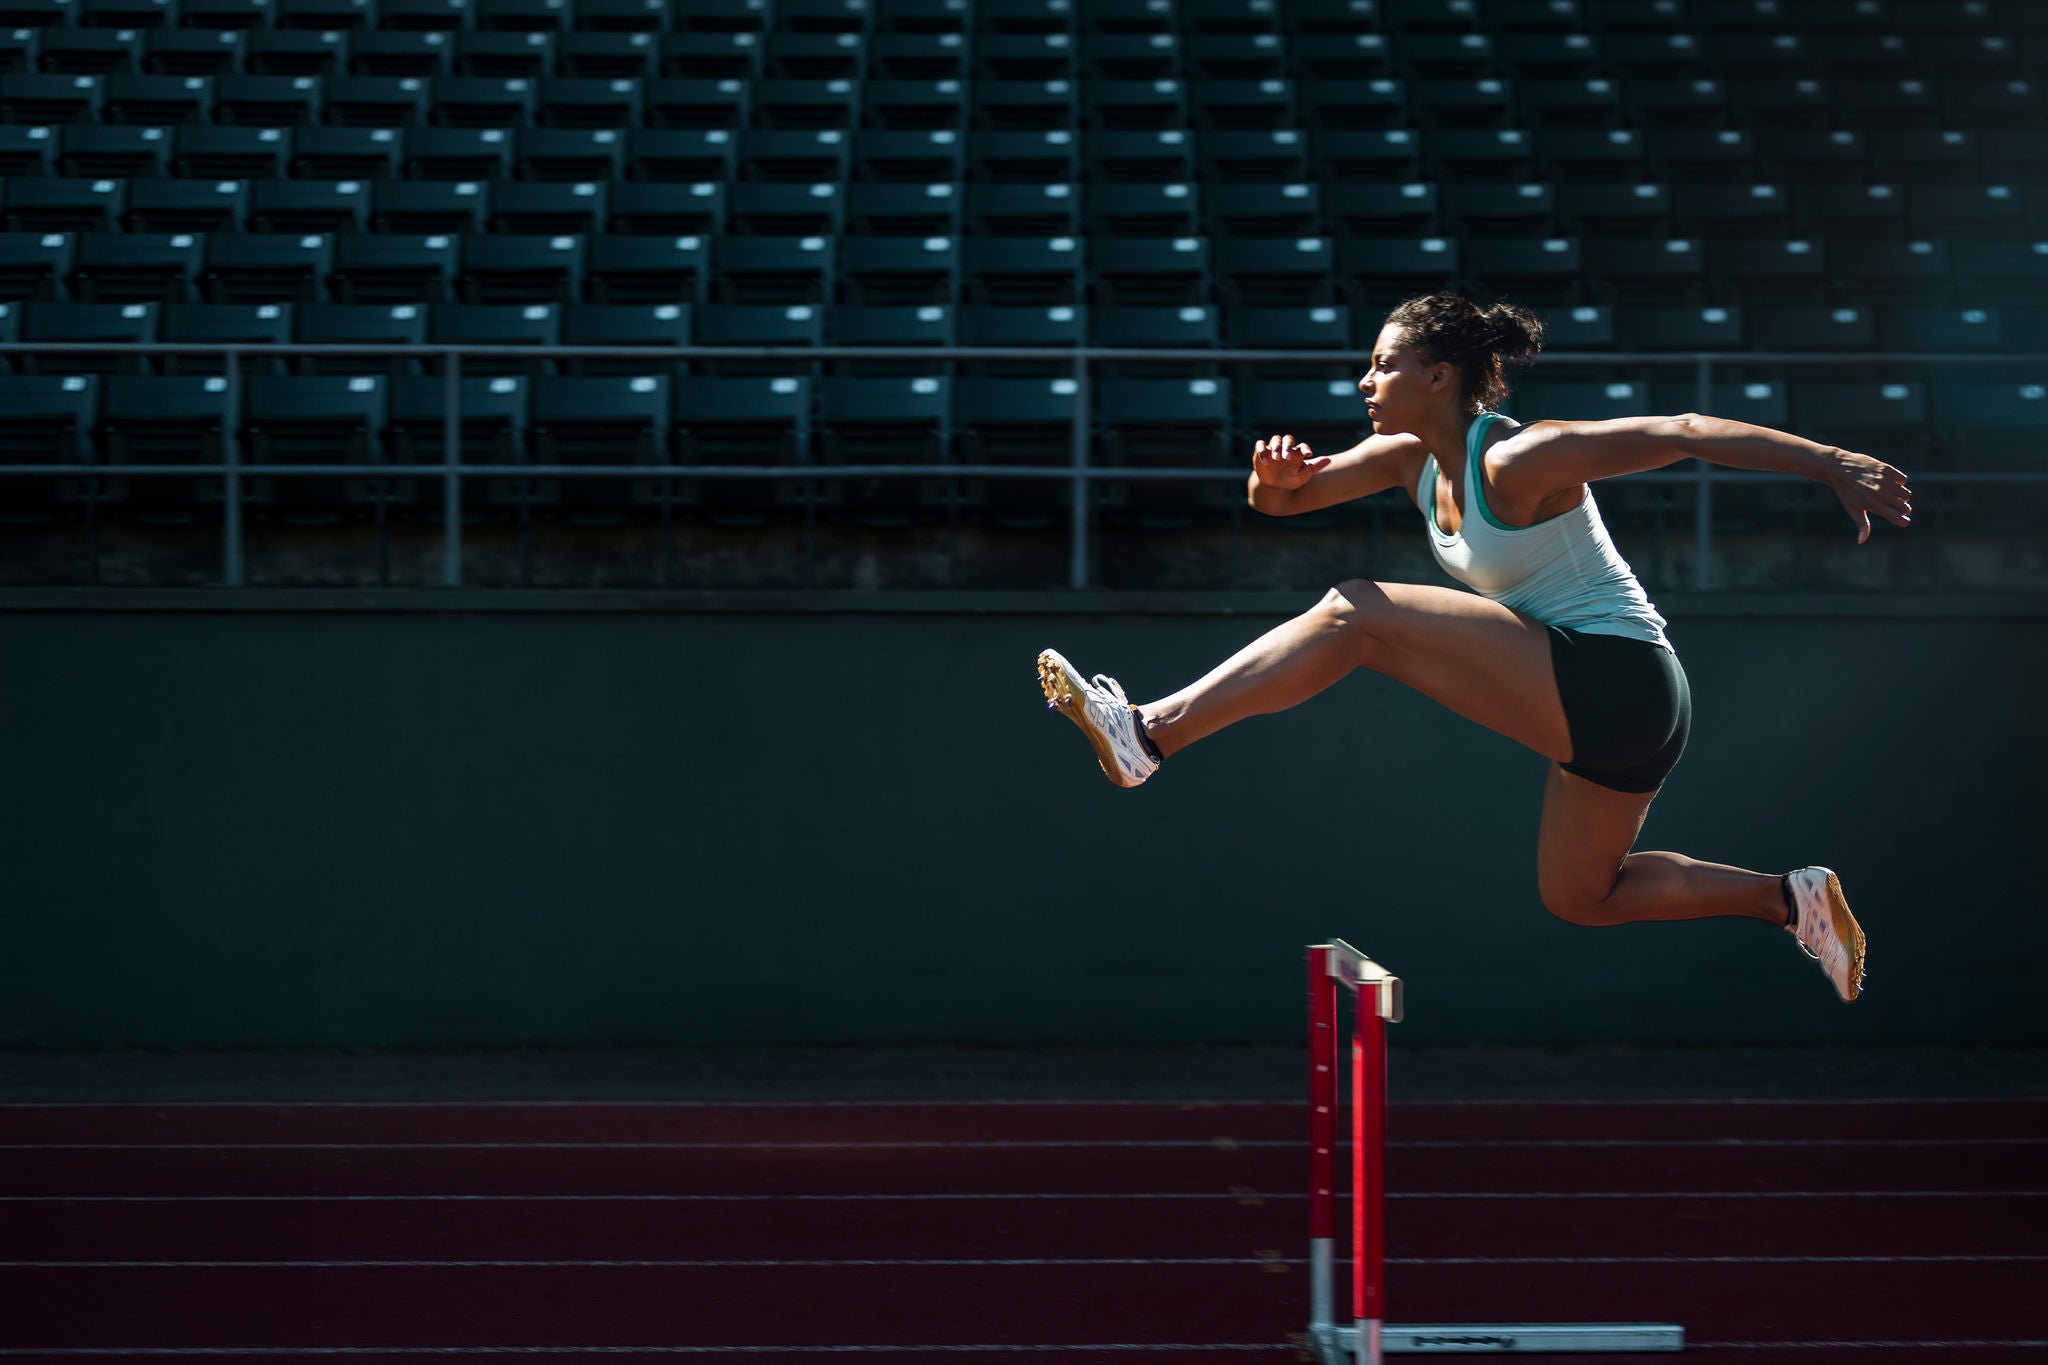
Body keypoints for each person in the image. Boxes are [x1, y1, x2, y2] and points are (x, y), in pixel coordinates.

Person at [1036, 294, 1912, 1003]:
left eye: (1384, 363)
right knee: (1582, 895)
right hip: (1619, 711)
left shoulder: (1525, 458)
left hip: (1619, 678)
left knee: (1355, 613)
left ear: (1440, 373)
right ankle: (1788, 898)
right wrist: (1269, 482)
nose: (1365, 379)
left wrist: (1833, 460)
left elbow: (1683, 428)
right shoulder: (1406, 459)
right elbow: (1284, 507)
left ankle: (1148, 732)